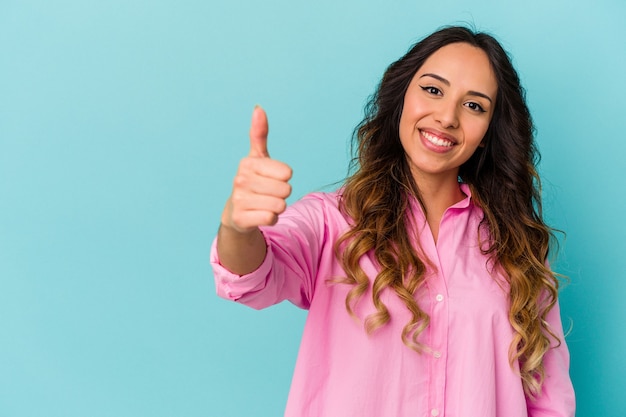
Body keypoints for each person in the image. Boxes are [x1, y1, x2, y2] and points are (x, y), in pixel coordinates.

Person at [211, 26, 575, 416]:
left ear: (487, 133)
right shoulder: (331, 221)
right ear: (402, 97)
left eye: (474, 106)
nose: (447, 117)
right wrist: (237, 226)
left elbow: (548, 400)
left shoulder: (517, 248)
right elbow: (249, 276)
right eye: (433, 90)